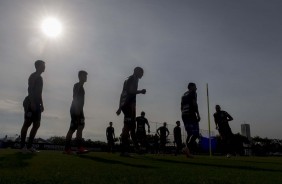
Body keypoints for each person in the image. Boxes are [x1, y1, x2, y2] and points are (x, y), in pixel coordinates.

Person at [116, 67, 146, 156]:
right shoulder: (132, 79)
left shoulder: (130, 79)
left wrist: (120, 107)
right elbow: (130, 91)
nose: (142, 74)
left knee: (132, 127)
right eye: (141, 72)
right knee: (127, 127)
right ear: (136, 71)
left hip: (128, 105)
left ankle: (137, 148)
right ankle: (123, 150)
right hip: (128, 105)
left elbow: (122, 93)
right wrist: (141, 91)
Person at [20, 60, 45, 153]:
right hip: (30, 102)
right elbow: (30, 89)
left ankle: (30, 146)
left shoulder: (41, 78)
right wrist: (32, 102)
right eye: (43, 65)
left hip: (37, 103)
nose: (44, 67)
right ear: (38, 66)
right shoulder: (33, 76)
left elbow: (40, 93)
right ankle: (23, 147)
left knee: (37, 124)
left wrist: (42, 104)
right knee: (27, 123)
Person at [64, 70, 89, 154]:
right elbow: (75, 97)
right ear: (80, 76)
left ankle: (78, 148)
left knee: (79, 127)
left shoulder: (81, 86)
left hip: (79, 109)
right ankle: (68, 149)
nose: (86, 77)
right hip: (76, 109)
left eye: (86, 76)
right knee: (73, 128)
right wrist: (77, 108)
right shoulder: (77, 85)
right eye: (84, 76)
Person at [181, 82, 201, 157]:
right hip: (191, 114)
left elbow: (181, 107)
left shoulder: (183, 94)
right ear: (191, 87)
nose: (196, 88)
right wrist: (198, 114)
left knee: (189, 133)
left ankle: (187, 151)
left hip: (184, 115)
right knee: (195, 134)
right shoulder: (193, 92)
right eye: (195, 86)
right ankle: (187, 148)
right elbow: (194, 104)